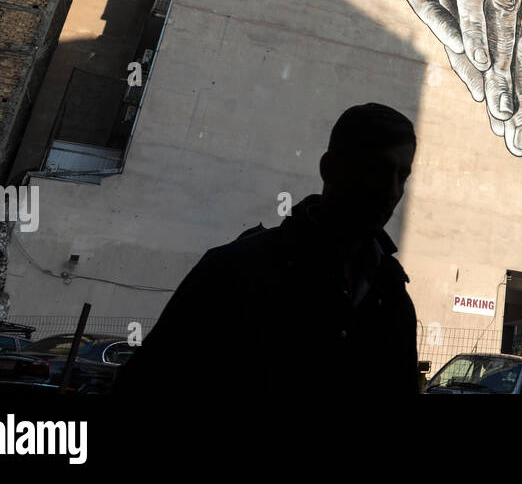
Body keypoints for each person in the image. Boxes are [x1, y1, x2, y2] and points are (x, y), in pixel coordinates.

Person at [114, 103, 419, 396]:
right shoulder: (235, 273)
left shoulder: (393, 297)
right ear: (330, 168)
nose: (392, 191)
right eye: (378, 170)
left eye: (402, 176)